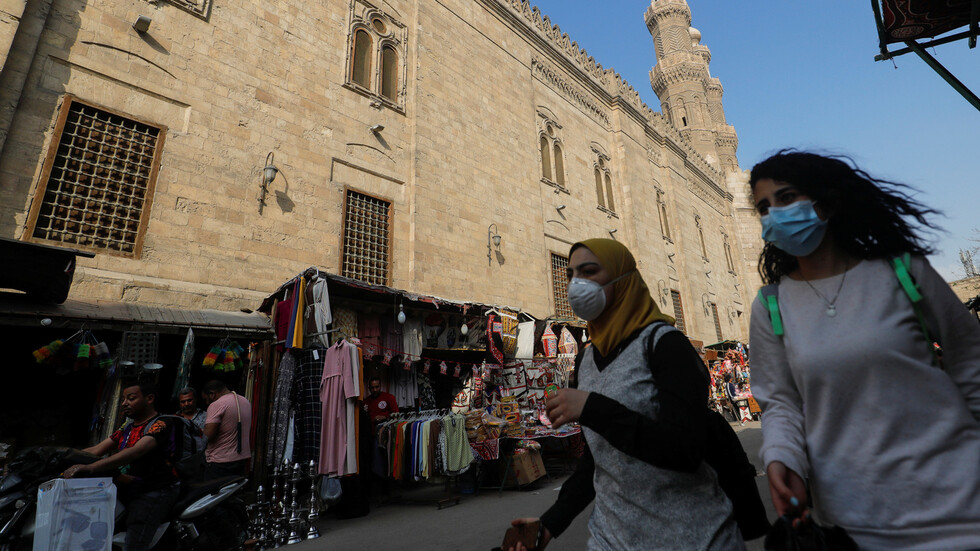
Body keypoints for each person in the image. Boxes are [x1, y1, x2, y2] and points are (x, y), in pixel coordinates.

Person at [749, 150, 980, 549]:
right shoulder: (772, 304)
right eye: (764, 208)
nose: (774, 215)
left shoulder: (903, 271)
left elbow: (971, 359)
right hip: (854, 522)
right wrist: (782, 457)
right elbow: (781, 402)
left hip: (961, 502)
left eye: (786, 198)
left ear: (828, 201)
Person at [508, 238, 743, 551]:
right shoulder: (587, 360)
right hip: (612, 539)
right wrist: (549, 524)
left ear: (624, 279)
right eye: (570, 275)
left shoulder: (666, 346)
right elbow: (601, 460)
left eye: (589, 271)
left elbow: (685, 449)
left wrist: (593, 408)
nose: (577, 284)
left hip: (692, 537)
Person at [64, 381, 179, 551]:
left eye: (131, 398)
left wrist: (92, 467)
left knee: (134, 544)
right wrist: (63, 457)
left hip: (154, 490)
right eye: (123, 399)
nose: (124, 403)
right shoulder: (127, 427)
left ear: (149, 399)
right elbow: (96, 449)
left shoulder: (161, 424)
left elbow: (136, 451)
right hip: (129, 488)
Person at [202, 379, 252, 479]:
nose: (207, 403)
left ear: (212, 394)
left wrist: (199, 432)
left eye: (206, 399)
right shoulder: (245, 401)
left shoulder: (217, 404)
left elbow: (208, 436)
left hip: (220, 463)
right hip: (241, 460)